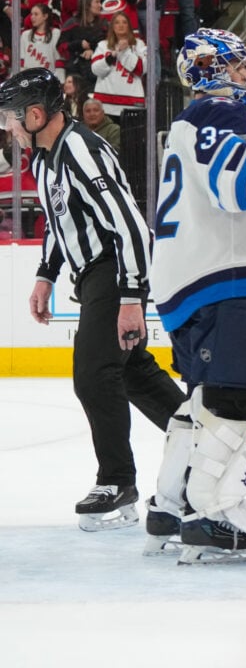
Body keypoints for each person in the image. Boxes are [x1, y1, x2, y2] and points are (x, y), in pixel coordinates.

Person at [0, 67, 184, 532]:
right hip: (92, 275)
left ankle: (117, 480)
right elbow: (62, 222)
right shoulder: (44, 157)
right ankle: (203, 445)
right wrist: (45, 274)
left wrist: (129, 295)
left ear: (37, 114)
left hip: (112, 270)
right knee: (135, 373)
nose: (8, 129)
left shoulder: (81, 149)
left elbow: (129, 225)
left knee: (94, 376)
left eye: (11, 118)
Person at [149, 28, 246, 562]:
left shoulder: (192, 122)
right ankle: (212, 513)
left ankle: (170, 504)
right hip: (228, 280)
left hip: (192, 282)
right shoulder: (219, 115)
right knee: (244, 402)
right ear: (212, 70)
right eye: (239, 65)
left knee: (205, 402)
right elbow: (235, 184)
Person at [90, 11, 147, 118]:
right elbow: (95, 70)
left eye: (124, 22)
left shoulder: (139, 45)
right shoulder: (103, 45)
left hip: (132, 104)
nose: (120, 25)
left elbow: (141, 69)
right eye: (117, 22)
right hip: (105, 104)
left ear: (129, 26)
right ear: (112, 26)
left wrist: (125, 51)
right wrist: (111, 57)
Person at [19, 3, 65, 79]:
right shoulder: (25, 35)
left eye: (36, 14)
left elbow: (59, 60)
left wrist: (60, 80)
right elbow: (21, 61)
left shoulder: (55, 33)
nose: (32, 17)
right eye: (31, 14)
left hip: (48, 79)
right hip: (29, 79)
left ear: (45, 16)